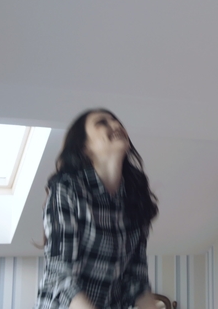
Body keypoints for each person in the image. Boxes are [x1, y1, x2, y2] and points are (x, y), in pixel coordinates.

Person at [35, 109, 159, 309]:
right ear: (85, 147)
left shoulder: (137, 198)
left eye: (116, 120)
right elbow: (61, 275)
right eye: (103, 122)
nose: (116, 125)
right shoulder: (67, 189)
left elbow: (136, 280)